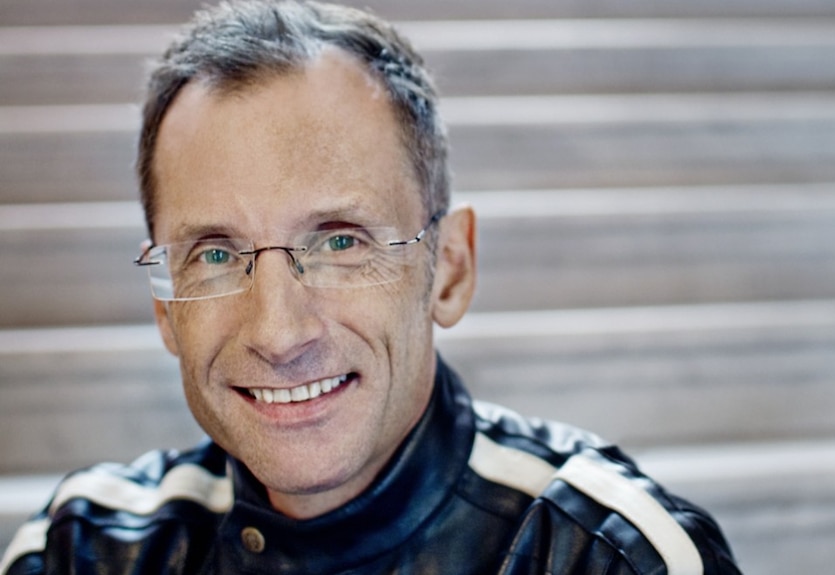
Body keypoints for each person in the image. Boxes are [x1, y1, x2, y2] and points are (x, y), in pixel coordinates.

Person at [1, 1, 742, 573]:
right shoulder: (81, 548)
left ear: (449, 267)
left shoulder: (608, 558)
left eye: (339, 241)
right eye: (216, 254)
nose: (278, 332)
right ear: (166, 304)